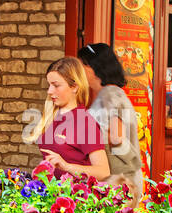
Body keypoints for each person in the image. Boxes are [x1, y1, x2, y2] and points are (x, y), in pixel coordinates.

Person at [27, 57, 111, 181]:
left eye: (56, 85)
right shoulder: (52, 115)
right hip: (52, 194)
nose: (50, 91)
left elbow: (103, 172)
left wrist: (67, 166)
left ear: (74, 87)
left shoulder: (85, 122)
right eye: (49, 85)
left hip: (75, 196)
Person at [77, 42, 143, 199]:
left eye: (80, 67)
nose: (77, 73)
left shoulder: (109, 96)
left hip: (119, 182)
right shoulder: (111, 94)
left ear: (93, 67)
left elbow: (115, 137)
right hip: (122, 180)